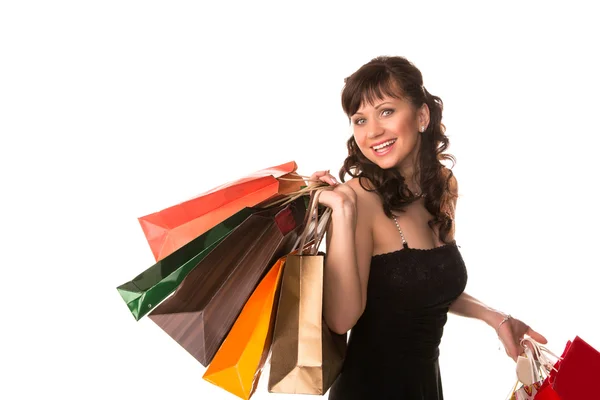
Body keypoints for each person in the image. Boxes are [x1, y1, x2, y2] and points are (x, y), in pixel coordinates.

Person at [309, 55, 547, 399]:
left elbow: (427, 286)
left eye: (386, 111)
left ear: (422, 116)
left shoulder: (441, 185)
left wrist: (495, 317)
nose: (372, 131)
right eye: (359, 119)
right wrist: (343, 213)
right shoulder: (357, 198)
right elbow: (341, 319)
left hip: (426, 388)